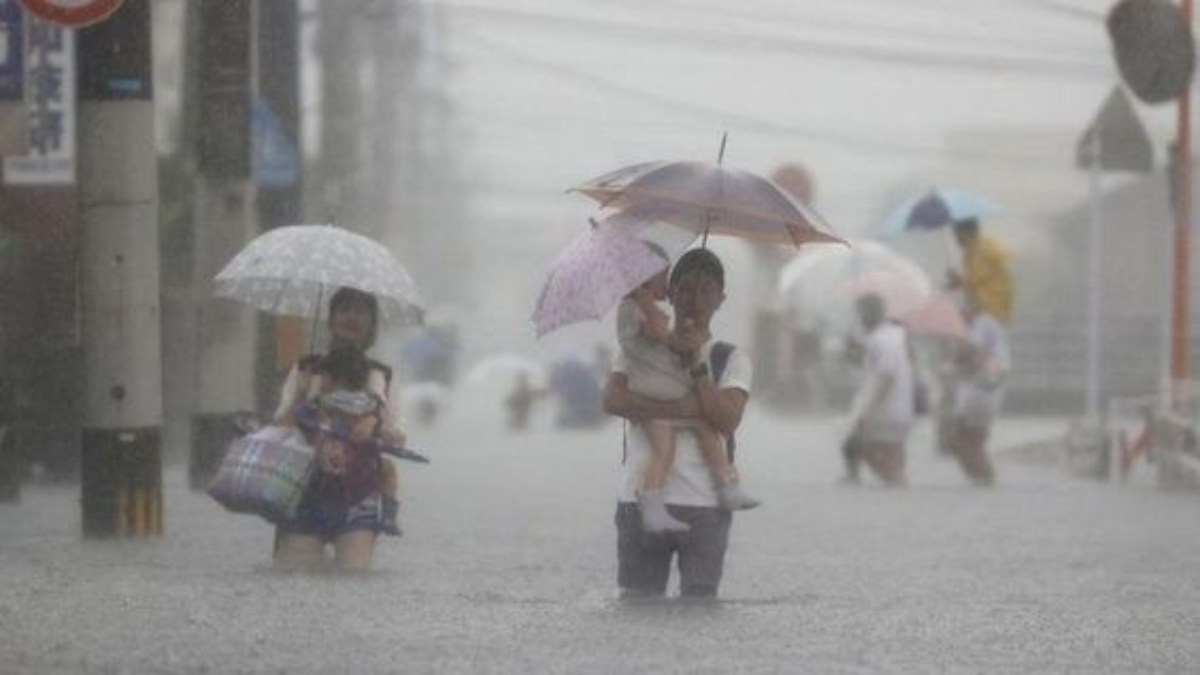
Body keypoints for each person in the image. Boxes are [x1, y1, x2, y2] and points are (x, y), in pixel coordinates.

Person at [604, 247, 753, 599]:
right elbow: (614, 400)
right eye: (685, 288)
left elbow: (727, 419)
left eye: (706, 291)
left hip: (705, 505)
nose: (695, 299)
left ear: (721, 299)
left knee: (700, 611)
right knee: (636, 609)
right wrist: (686, 407)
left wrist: (697, 366)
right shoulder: (638, 348)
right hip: (638, 504)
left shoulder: (729, 357)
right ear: (670, 292)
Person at [271, 287, 407, 573]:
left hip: (359, 494)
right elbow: (280, 428)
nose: (352, 317)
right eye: (344, 310)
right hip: (304, 492)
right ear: (331, 319)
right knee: (294, 578)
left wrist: (375, 425)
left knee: (352, 577)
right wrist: (301, 395)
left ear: (371, 322)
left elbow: (398, 437)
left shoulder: (382, 375)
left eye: (361, 311)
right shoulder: (306, 368)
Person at [841, 294, 915, 487]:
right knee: (891, 453)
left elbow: (886, 377)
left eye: (861, 314)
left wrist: (868, 411)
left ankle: (897, 481)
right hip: (900, 407)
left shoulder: (882, 340)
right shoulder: (893, 335)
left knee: (866, 446)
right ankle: (898, 483)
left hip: (886, 409)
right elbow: (872, 366)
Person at [949, 293, 1010, 486]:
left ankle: (984, 479)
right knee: (969, 440)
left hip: (981, 391)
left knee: (968, 439)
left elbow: (971, 355)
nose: (957, 313)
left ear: (972, 306)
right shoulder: (981, 325)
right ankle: (980, 479)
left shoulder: (981, 325)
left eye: (960, 309)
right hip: (980, 390)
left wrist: (956, 352)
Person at [946, 218, 1014, 324]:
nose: (956, 240)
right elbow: (976, 281)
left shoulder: (981, 251)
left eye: (957, 234)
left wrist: (958, 282)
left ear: (966, 233)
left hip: (990, 311)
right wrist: (958, 281)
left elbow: (976, 283)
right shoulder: (974, 250)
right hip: (990, 309)